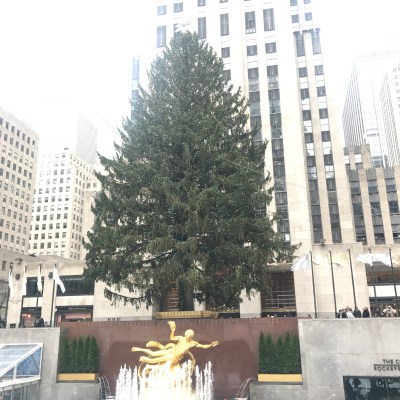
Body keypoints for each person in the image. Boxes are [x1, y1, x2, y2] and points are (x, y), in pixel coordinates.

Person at [131, 321, 219, 368]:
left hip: (174, 357)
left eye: (188, 336)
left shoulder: (192, 343)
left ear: (190, 336)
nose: (186, 336)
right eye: (186, 335)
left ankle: (145, 360)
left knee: (154, 359)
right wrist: (173, 330)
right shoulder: (181, 338)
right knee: (153, 353)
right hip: (171, 351)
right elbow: (172, 338)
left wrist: (211, 345)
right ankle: (139, 349)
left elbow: (203, 346)